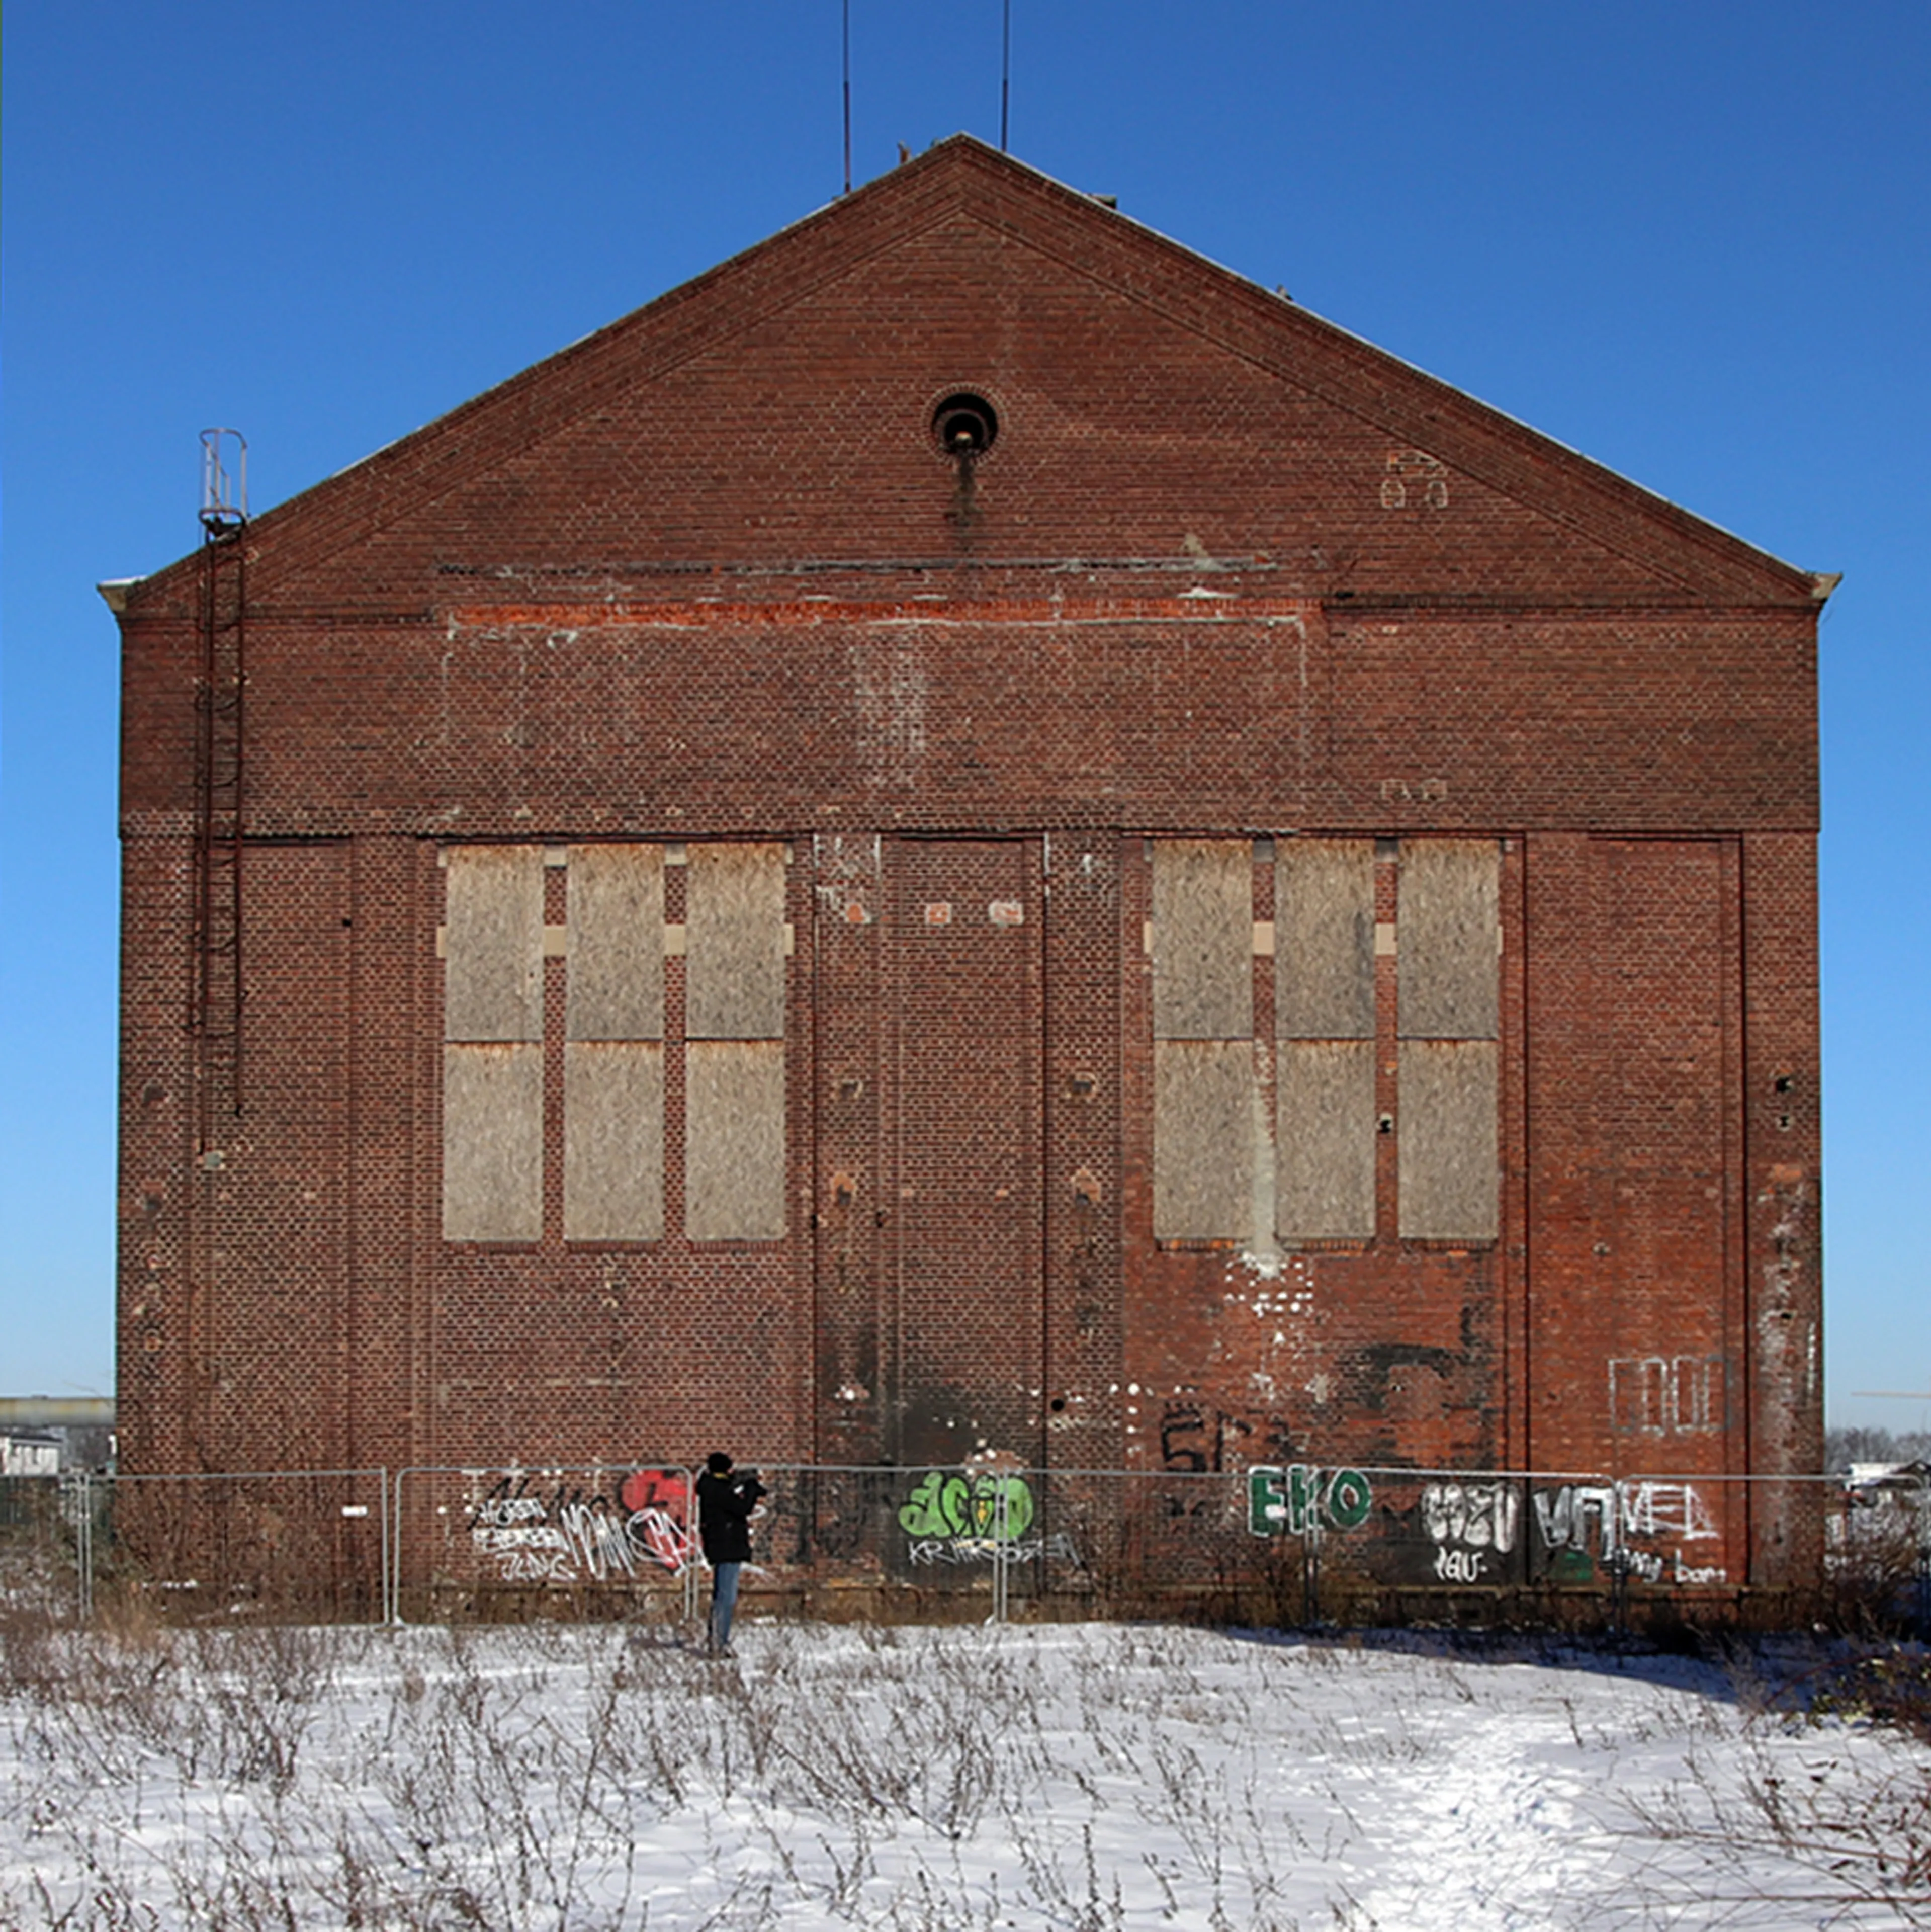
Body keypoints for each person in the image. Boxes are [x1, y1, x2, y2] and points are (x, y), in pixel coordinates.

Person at [694, 1452, 766, 1657]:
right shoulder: (718, 1490)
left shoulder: (710, 1487)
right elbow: (741, 1508)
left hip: (721, 1546)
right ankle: (720, 1641)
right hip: (727, 1547)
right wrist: (751, 1490)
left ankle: (718, 1639)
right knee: (726, 1597)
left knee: (722, 1595)